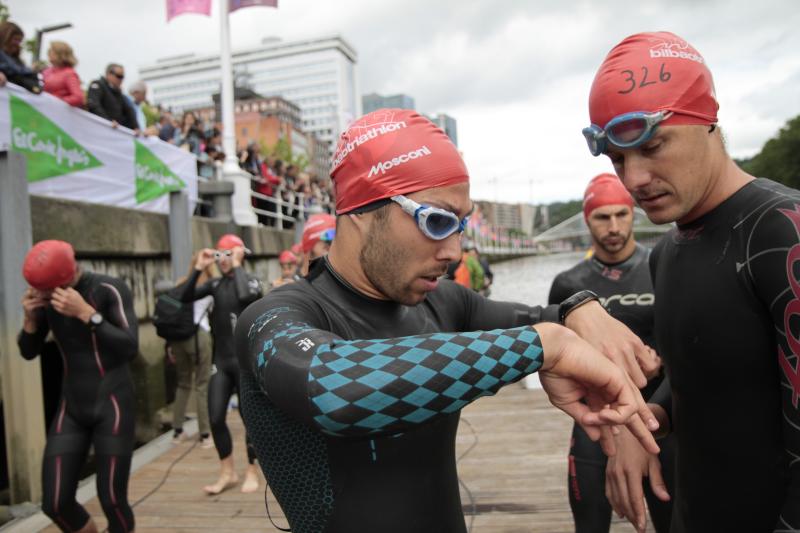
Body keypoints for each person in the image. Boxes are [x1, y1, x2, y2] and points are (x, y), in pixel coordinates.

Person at [234, 109, 664, 533]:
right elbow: (334, 389)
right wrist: (545, 346)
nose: (455, 251)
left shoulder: (445, 305)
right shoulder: (275, 318)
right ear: (361, 210)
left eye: (459, 225)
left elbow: (549, 316)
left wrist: (580, 307)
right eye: (436, 221)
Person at [583, 31, 800, 533]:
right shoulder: (666, 252)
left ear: (707, 122)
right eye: (617, 159)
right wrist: (647, 425)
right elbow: (700, 381)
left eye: (651, 146)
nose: (634, 178)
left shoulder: (781, 231)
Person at [548, 174, 674, 533]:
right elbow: (559, 357)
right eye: (602, 217)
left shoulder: (663, 267)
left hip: (658, 415)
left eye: (622, 214)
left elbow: (686, 348)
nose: (614, 226)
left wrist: (657, 363)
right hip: (598, 419)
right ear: (586, 219)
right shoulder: (567, 284)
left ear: (633, 215)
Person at [17, 240, 137, 533]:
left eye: (43, 290)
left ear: (64, 278)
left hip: (114, 402)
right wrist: (31, 321)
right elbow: (29, 351)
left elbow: (130, 347)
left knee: (112, 500)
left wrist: (87, 314)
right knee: (55, 502)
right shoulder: (48, 300)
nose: (39, 295)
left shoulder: (108, 289)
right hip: (72, 406)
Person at [178, 234, 263, 495]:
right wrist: (198, 268)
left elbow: (246, 295)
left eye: (229, 253)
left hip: (246, 363)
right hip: (222, 362)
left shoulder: (250, 280)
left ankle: (252, 469)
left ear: (239, 254)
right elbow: (183, 296)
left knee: (250, 419)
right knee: (215, 417)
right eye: (220, 253)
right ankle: (227, 471)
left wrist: (237, 264)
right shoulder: (214, 284)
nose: (223, 259)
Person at [170, 252, 215, 448]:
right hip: (199, 335)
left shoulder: (181, 282)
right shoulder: (212, 284)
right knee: (202, 384)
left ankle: (177, 430)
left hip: (178, 339)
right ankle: (205, 434)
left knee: (182, 383)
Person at [86, 63, 138, 131]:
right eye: (119, 76)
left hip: (115, 131)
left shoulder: (118, 92)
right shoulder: (97, 85)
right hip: (101, 130)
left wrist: (135, 127)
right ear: (109, 74)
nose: (121, 80)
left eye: (122, 77)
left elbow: (128, 110)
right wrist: (108, 121)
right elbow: (94, 105)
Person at [0, 21, 40, 93]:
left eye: (20, 41)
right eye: (15, 39)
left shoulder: (17, 62)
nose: (17, 44)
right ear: (4, 37)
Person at [41, 41, 83, 108]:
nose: (49, 53)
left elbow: (78, 97)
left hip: (56, 113)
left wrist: (57, 102)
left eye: (52, 51)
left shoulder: (69, 73)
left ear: (61, 54)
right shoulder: (46, 71)